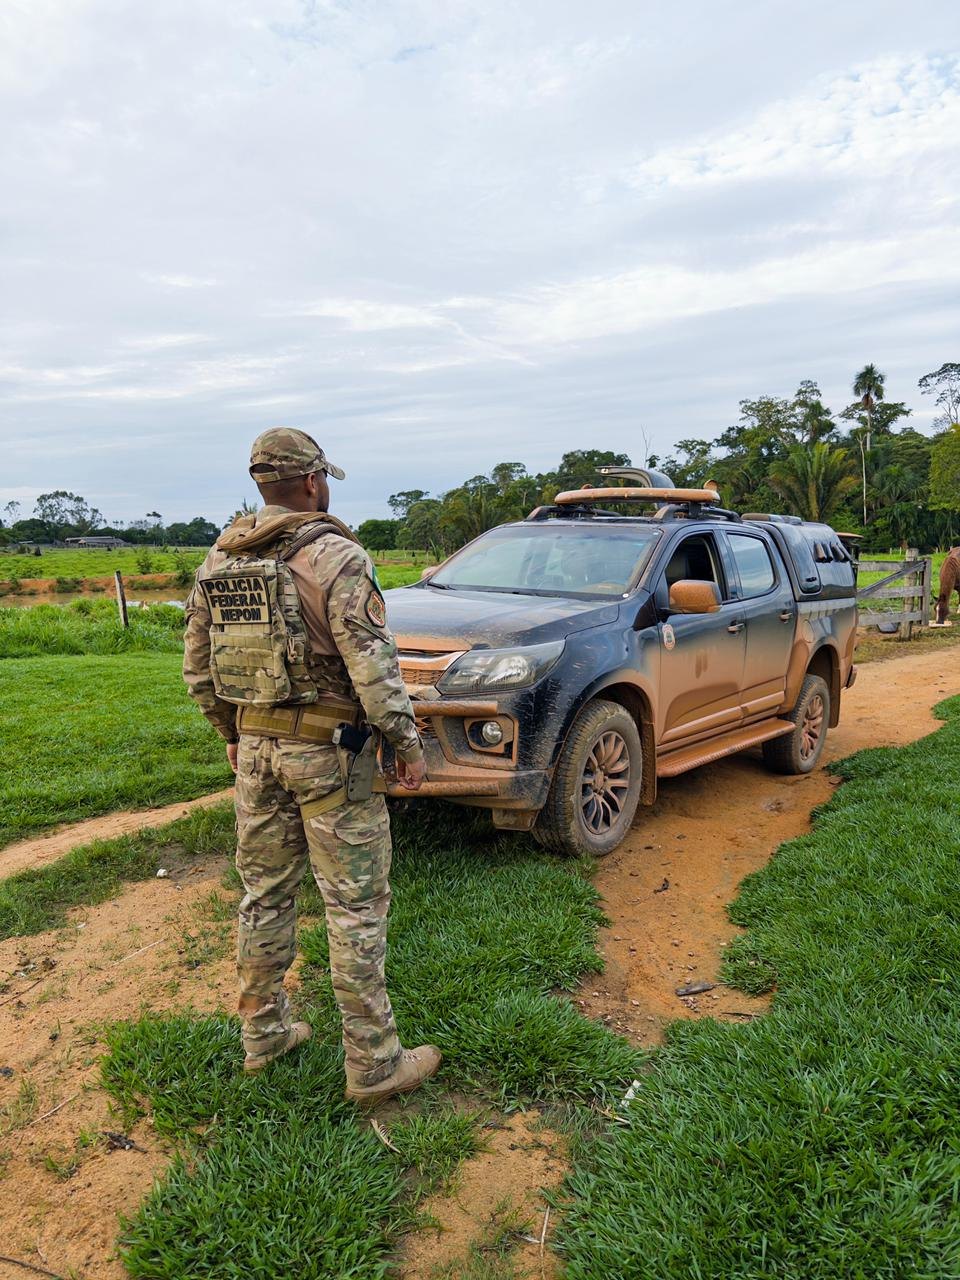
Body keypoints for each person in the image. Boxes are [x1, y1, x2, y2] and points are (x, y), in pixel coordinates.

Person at [182, 427, 441, 1107]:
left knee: (264, 895)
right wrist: (405, 743)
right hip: (329, 754)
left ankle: (263, 1037)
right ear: (311, 482)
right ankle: (375, 1062)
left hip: (257, 752)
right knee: (354, 906)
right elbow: (373, 665)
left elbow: (198, 667)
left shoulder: (220, 559)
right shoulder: (337, 556)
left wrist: (229, 733)